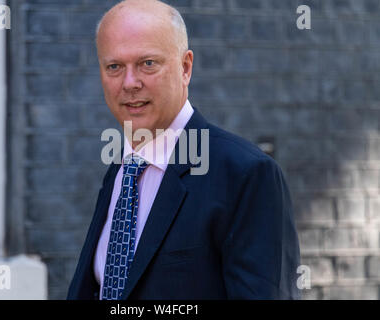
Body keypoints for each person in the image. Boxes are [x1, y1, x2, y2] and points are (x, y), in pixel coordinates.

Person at [67, 0, 301, 300]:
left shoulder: (246, 175)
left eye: (147, 63)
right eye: (114, 66)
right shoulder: (121, 173)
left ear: (185, 68)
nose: (129, 83)